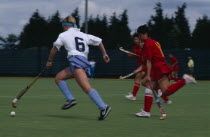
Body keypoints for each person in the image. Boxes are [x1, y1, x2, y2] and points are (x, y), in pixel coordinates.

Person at [46, 16, 111, 120]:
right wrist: (104, 54)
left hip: (77, 63)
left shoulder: (63, 35)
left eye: (63, 26)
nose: (62, 28)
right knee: (59, 78)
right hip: (79, 62)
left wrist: (49, 61)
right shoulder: (83, 35)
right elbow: (99, 41)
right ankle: (70, 99)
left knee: (86, 88)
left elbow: (54, 49)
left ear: (66, 25)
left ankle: (104, 107)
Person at [135, 25, 196, 117]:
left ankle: (185, 80)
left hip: (159, 67)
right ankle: (146, 112)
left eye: (140, 35)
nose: (139, 38)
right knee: (147, 85)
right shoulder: (153, 42)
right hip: (159, 67)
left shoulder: (148, 43)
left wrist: (148, 75)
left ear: (145, 34)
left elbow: (149, 61)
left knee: (166, 92)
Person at [125, 34, 146, 100]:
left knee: (138, 79)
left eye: (136, 39)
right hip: (141, 65)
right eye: (134, 39)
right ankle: (133, 94)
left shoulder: (144, 47)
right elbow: (136, 56)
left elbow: (143, 56)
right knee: (140, 80)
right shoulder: (135, 47)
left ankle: (133, 95)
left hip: (145, 66)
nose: (135, 41)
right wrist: (130, 55)